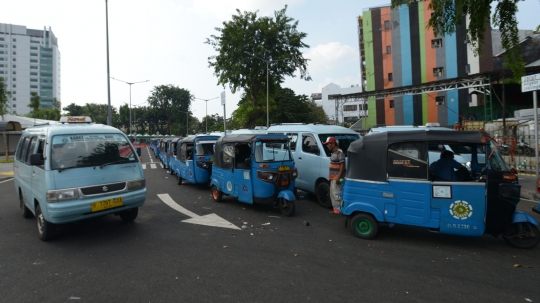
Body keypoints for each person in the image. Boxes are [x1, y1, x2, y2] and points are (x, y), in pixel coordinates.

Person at [323, 137, 345, 214]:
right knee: (332, 193)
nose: (327, 146)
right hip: (333, 177)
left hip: (337, 178)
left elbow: (342, 165)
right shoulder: (333, 152)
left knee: (337, 194)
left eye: (328, 144)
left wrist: (339, 177)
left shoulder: (340, 152)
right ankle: (336, 210)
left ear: (333, 144)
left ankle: (340, 210)